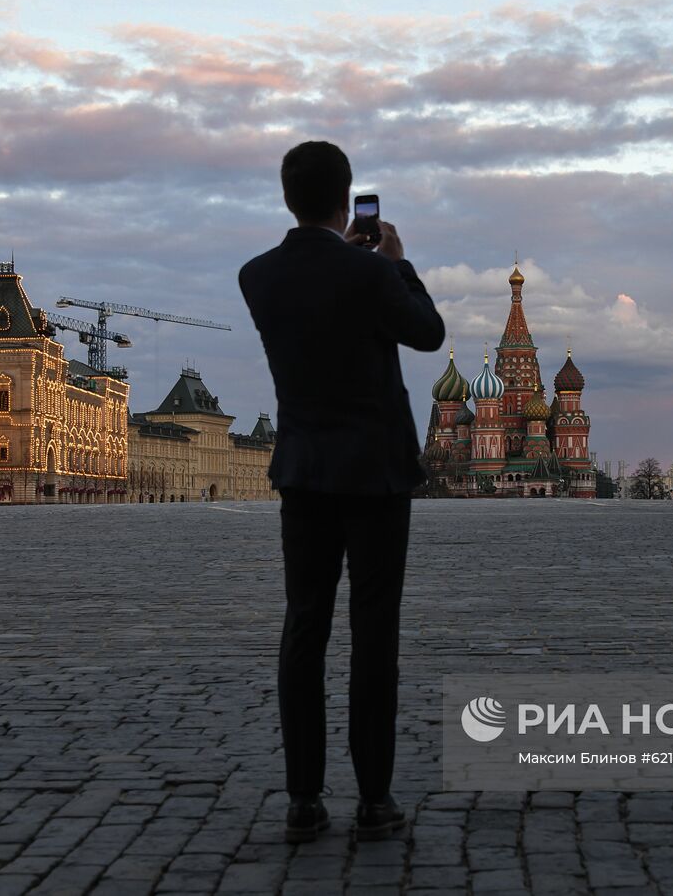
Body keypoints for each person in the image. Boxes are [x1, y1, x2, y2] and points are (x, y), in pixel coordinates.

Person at [238, 141, 445, 843]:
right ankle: (375, 798)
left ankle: (303, 800)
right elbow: (428, 331)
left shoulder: (256, 276)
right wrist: (394, 262)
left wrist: (361, 263)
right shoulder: (371, 272)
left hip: (303, 473)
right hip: (378, 476)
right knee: (373, 633)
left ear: (288, 196)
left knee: (304, 627)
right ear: (347, 197)